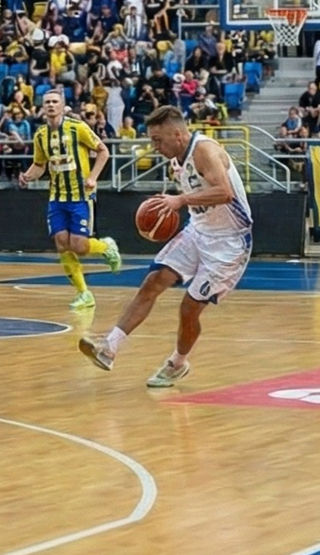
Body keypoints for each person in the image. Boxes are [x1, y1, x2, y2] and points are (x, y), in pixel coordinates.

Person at [78, 106, 251, 387]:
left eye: (158, 140)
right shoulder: (176, 160)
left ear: (178, 134)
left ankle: (177, 364)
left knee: (189, 309)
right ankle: (108, 348)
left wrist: (180, 201)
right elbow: (197, 192)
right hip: (198, 230)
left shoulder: (204, 150)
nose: (154, 146)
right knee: (152, 281)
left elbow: (225, 193)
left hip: (228, 242)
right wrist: (171, 202)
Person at [17, 88, 121, 310]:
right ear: (43, 108)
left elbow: (103, 151)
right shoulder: (41, 135)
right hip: (57, 197)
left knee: (79, 245)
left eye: (55, 101)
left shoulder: (78, 128)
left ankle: (105, 247)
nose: (51, 105)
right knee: (62, 244)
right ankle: (84, 294)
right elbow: (39, 164)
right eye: (47, 102)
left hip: (80, 196)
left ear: (63, 105)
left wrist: (93, 178)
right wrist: (27, 176)